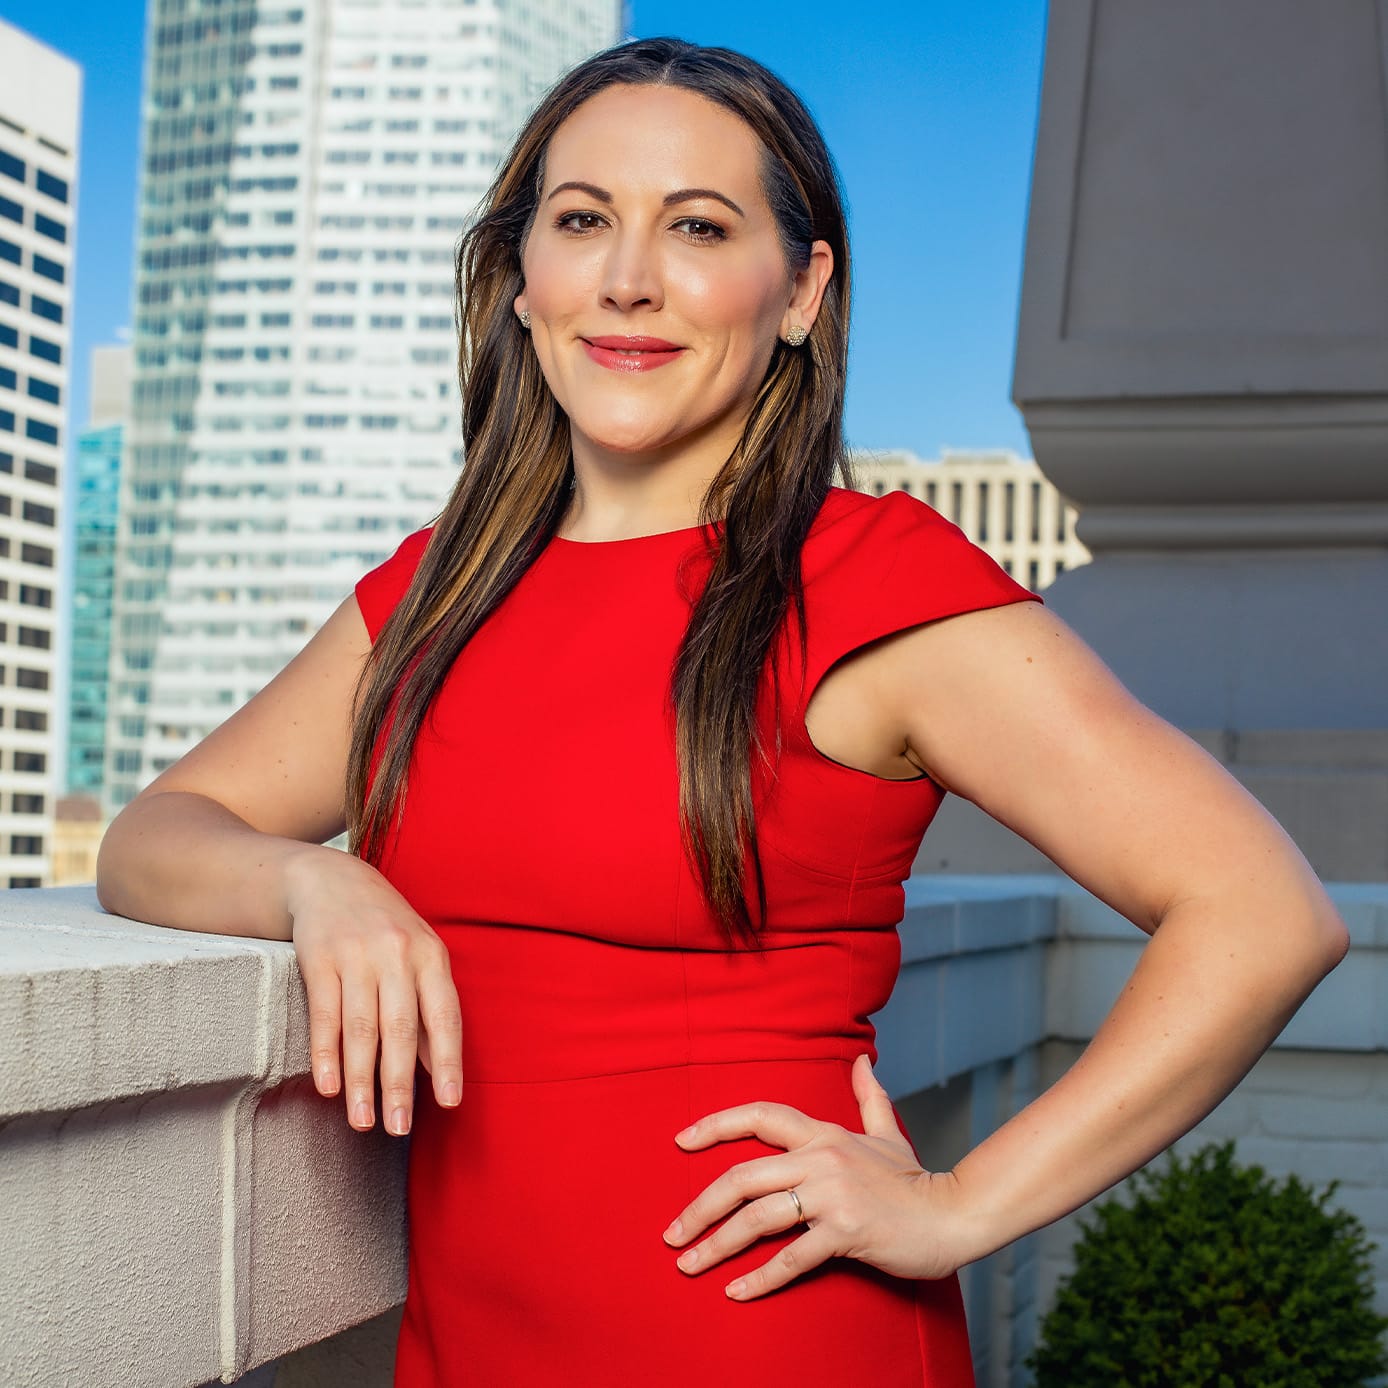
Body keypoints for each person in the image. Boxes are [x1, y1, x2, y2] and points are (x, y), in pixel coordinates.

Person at [97, 36, 1349, 1388]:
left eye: (698, 227)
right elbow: (155, 835)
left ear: (803, 289)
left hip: (768, 1333)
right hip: (469, 1347)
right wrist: (315, 887)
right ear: (524, 280)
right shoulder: (434, 593)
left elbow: (1265, 911)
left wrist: (959, 1206)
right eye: (583, 222)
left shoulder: (876, 581)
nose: (628, 277)